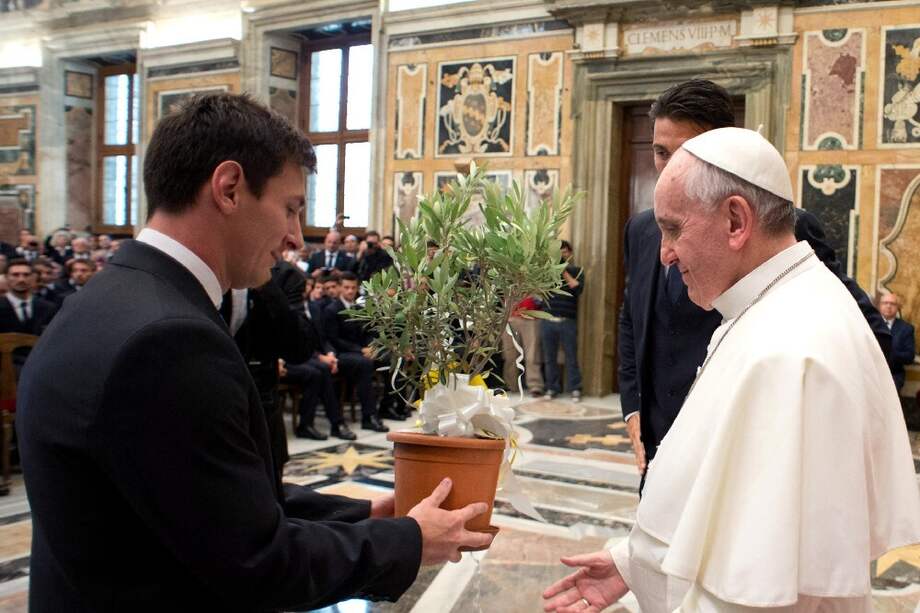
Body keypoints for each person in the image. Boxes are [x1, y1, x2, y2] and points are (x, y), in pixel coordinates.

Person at [16, 92, 491, 612]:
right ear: (229, 188)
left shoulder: (114, 298)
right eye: (290, 208)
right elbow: (256, 562)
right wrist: (411, 541)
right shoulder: (168, 340)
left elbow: (209, 503)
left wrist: (367, 518)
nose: (293, 238)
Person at [543, 127, 920, 612]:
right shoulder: (770, 304)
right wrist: (632, 564)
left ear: (736, 220)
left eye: (674, 229)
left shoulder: (792, 350)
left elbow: (756, 592)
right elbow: (722, 496)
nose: (664, 254)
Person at [618, 79, 891, 494]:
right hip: (659, 462)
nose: (669, 167)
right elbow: (630, 319)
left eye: (686, 153)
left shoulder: (783, 229)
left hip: (741, 471)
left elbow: (868, 340)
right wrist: (634, 408)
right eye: (660, 152)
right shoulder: (640, 230)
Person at [541, 240, 583, 401]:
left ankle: (575, 389)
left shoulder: (577, 271)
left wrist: (563, 269)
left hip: (568, 321)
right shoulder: (548, 272)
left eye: (564, 252)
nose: (562, 255)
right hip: (548, 320)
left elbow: (576, 287)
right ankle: (552, 388)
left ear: (570, 253)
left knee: (571, 356)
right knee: (549, 357)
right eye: (558, 253)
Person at [0, 259, 57, 337]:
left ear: (33, 277)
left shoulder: (48, 308)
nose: (21, 279)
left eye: (26, 275)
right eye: (15, 275)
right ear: (6, 277)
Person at [879, 291, 916, 392]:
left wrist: (891, 354)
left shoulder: (906, 329)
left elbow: (909, 356)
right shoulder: (869, 325)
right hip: (871, 372)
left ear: (897, 307)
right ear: (879, 306)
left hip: (894, 375)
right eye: (885, 303)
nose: (888, 306)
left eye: (892, 304)